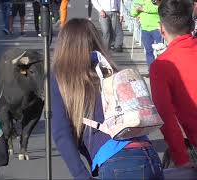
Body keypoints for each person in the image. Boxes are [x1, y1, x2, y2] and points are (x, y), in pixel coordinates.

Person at [51, 18, 164, 179]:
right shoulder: (109, 70)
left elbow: (61, 132)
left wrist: (81, 175)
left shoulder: (60, 77)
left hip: (116, 161)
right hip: (148, 153)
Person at [150, 0, 197, 168]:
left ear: (162, 28)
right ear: (192, 25)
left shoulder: (161, 65)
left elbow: (166, 117)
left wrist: (181, 159)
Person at [131, 0, 162, 67]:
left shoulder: (154, 1)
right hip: (145, 29)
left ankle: (162, 68)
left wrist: (143, 9)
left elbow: (159, 9)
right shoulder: (137, 1)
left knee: (161, 50)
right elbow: (132, 13)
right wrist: (137, 10)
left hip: (157, 28)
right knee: (148, 51)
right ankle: (151, 70)